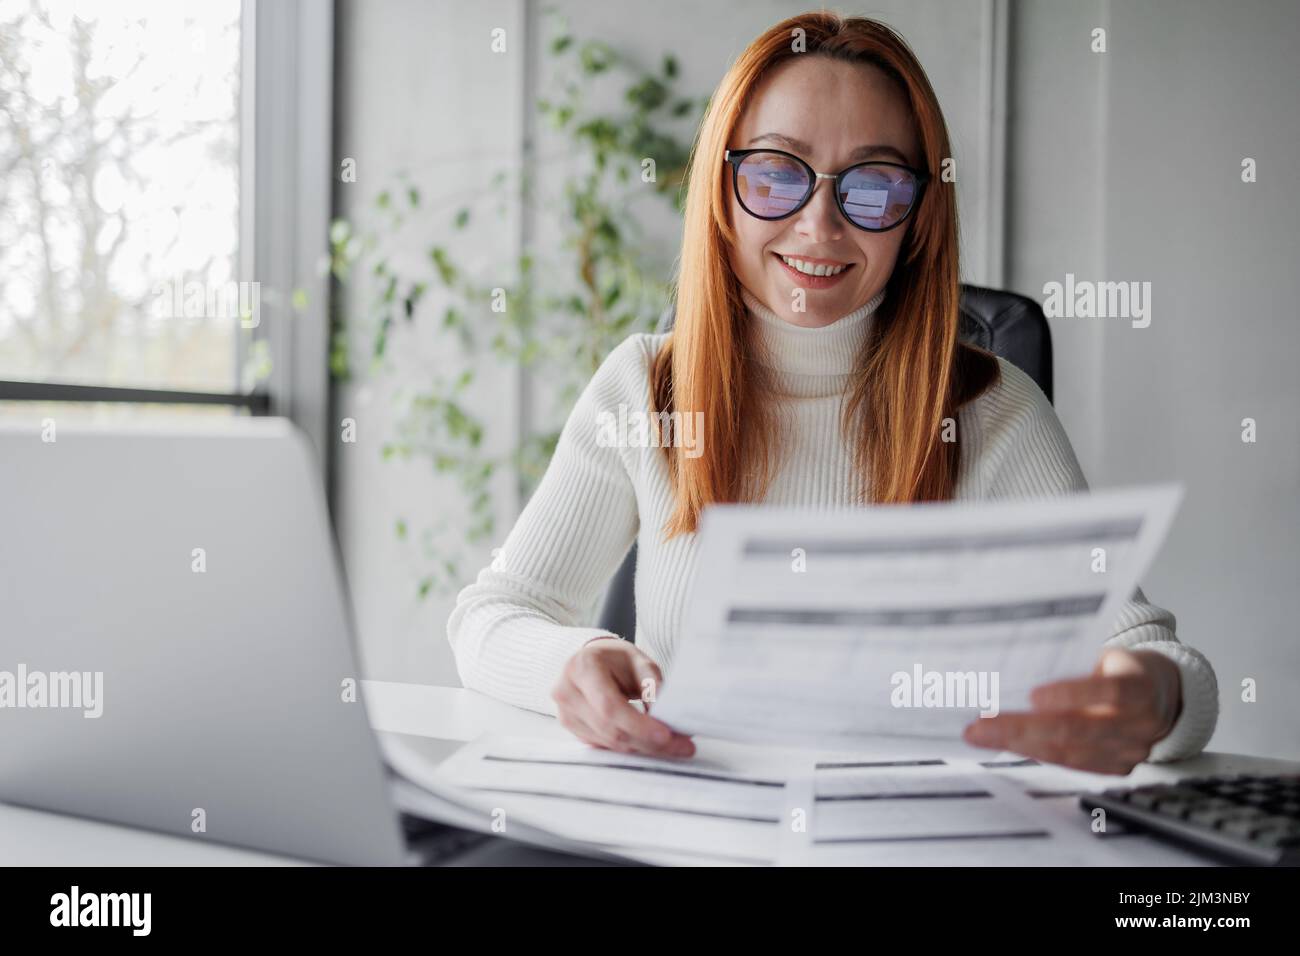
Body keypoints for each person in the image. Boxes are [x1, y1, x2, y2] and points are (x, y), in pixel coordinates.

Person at [447, 12, 1218, 774]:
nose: (819, 226)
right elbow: (490, 615)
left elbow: (1153, 656)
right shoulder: (645, 389)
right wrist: (576, 659)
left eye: (875, 186)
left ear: (917, 219)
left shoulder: (990, 407)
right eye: (777, 173)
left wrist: (1153, 697)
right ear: (723, 186)